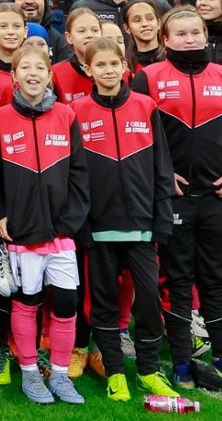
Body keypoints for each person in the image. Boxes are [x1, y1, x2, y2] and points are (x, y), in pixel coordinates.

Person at [132, 7, 222, 392]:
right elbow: (135, 131)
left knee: (216, 281)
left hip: (217, 198)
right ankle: (183, 362)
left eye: (195, 32)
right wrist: (160, 173)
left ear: (205, 35)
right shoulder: (149, 77)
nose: (189, 39)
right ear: (165, 38)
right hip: (173, 200)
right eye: (181, 33)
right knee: (176, 279)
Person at [73, 37, 183, 401]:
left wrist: (161, 219)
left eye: (113, 63)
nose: (107, 71)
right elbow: (75, 175)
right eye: (99, 65)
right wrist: (83, 226)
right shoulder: (76, 111)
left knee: (148, 297)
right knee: (102, 302)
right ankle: (116, 371)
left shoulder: (145, 105)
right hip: (99, 228)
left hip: (141, 226)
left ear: (125, 66)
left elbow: (161, 166)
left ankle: (149, 370)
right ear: (88, 69)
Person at [0, 44, 89, 405]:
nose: (33, 74)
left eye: (40, 68)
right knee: (27, 302)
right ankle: (30, 373)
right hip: (21, 231)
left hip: (61, 232)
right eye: (24, 68)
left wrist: (70, 221)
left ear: (50, 75)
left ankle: (60, 375)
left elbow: (79, 172)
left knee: (65, 304)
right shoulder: (0, 117)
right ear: (13, 77)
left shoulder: (66, 114)